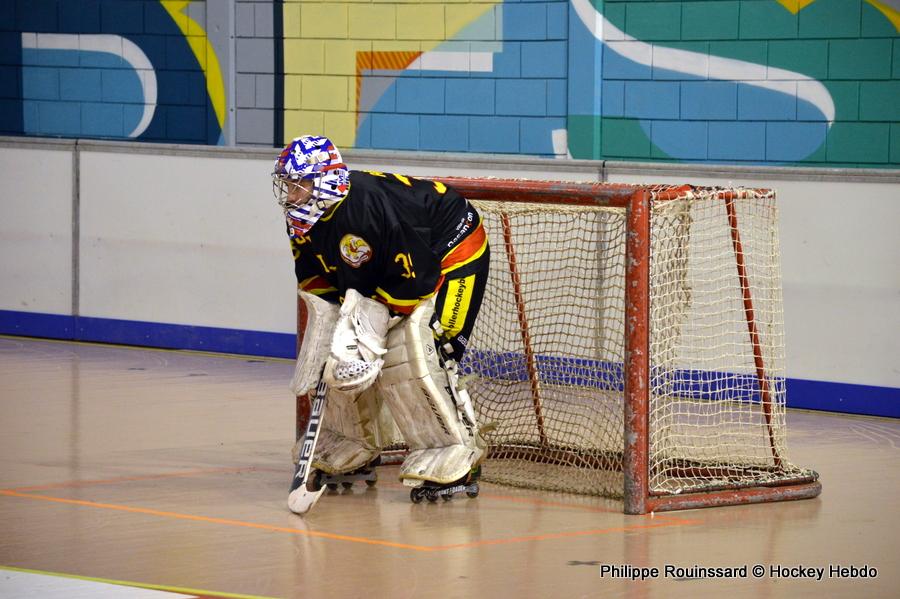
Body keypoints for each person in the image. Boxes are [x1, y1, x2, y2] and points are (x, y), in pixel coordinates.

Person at [273, 135, 489, 514]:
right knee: (339, 353)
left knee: (418, 347)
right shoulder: (302, 219)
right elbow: (316, 276)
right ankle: (354, 443)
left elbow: (415, 279)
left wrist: (371, 324)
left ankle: (455, 449)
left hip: (451, 248)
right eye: (287, 185)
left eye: (299, 184)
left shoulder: (367, 209)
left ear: (324, 181)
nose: (291, 194)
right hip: (392, 268)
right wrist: (336, 323)